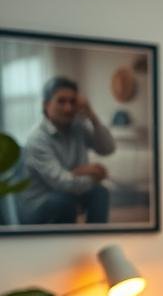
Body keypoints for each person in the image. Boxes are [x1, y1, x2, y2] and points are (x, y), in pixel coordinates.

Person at [19, 76, 114, 225]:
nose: (68, 108)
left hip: (68, 192)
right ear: (46, 105)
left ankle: (95, 239)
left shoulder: (78, 126)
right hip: (38, 205)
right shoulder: (37, 139)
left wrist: (92, 116)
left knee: (101, 193)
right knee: (64, 201)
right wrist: (93, 176)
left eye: (72, 102)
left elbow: (108, 148)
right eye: (61, 101)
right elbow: (62, 183)